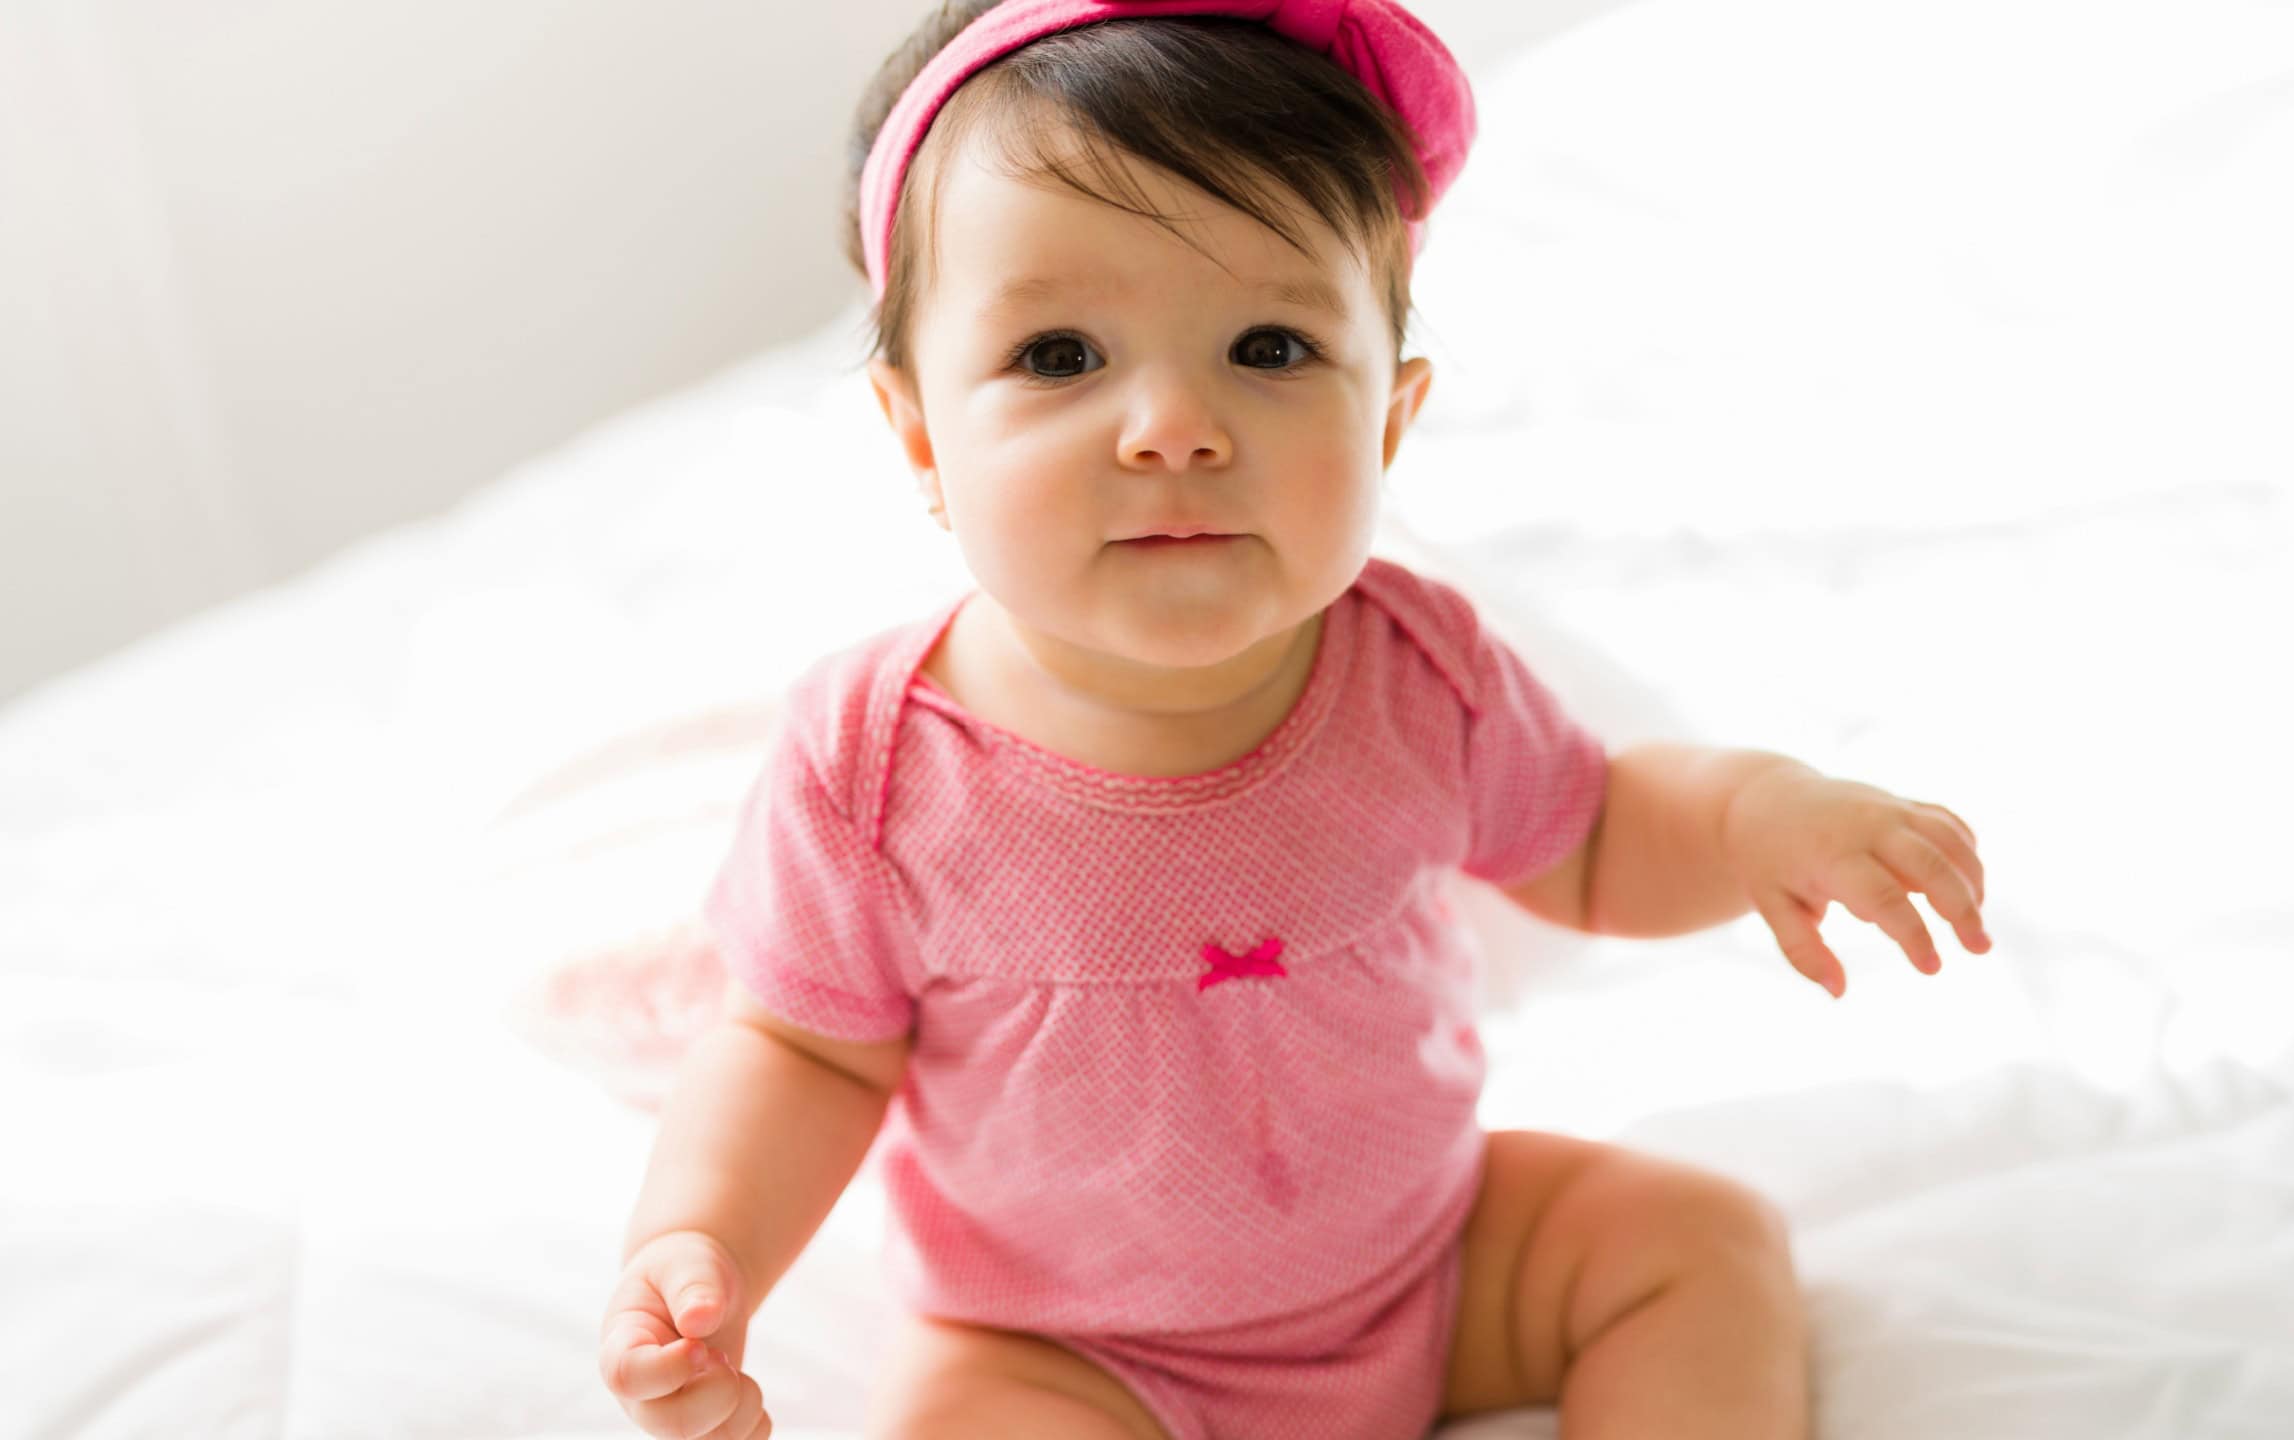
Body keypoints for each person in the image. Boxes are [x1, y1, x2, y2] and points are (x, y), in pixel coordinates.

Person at [598, 2, 1992, 1436]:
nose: (1173, 428)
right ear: (919, 438)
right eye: (1064, 357)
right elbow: (801, 1050)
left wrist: (1758, 817)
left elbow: (1591, 838)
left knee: (1695, 1243)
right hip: (1071, 1352)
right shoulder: (876, 765)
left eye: (1268, 346)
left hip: (1434, 1266)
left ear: (1388, 419)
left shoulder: (1419, 668)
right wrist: (697, 1243)